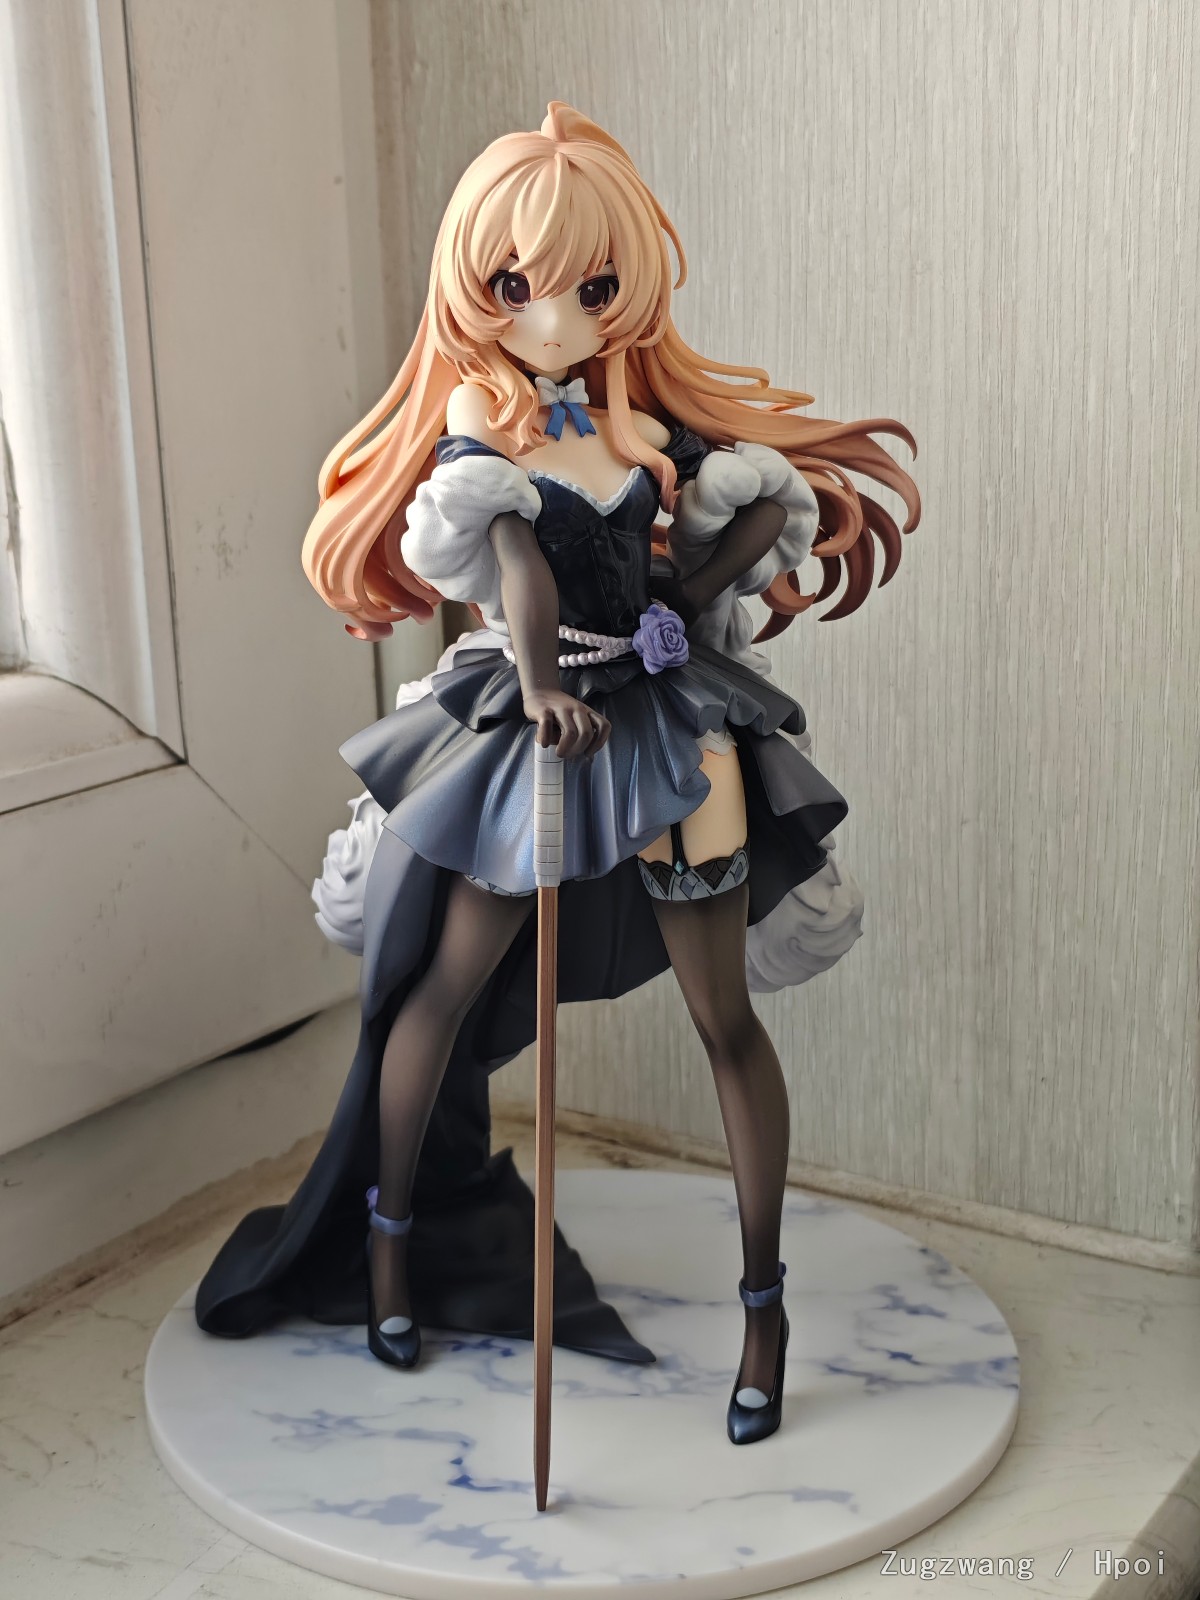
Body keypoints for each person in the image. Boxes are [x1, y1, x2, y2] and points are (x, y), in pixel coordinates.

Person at [196, 101, 920, 1447]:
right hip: (538, 727)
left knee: (725, 1020)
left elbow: (764, 508)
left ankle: (763, 1315)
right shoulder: (487, 428)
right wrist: (537, 684)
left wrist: (686, 594)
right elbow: (517, 561)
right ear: (477, 291)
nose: (552, 317)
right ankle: (391, 1249)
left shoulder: (641, 433)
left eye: (588, 287)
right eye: (515, 285)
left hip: (669, 724)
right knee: (446, 986)